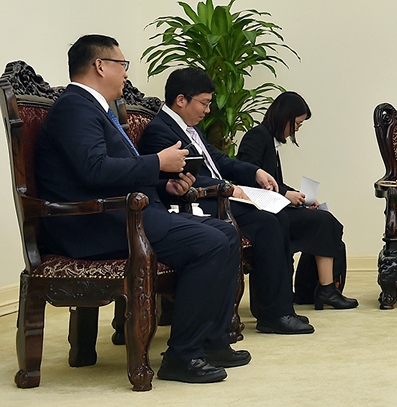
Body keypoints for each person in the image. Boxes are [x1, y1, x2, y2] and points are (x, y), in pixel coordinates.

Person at [35, 35, 246, 383]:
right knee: (210, 242)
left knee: (224, 232)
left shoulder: (94, 108)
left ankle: (209, 340)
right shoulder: (75, 107)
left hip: (122, 215)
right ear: (100, 66)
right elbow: (94, 169)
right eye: (123, 66)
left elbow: (110, 172)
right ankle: (182, 356)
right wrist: (158, 163)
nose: (127, 75)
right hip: (92, 225)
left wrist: (165, 184)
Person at [138, 68, 316, 334]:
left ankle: (280, 307)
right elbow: (186, 180)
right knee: (266, 222)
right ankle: (272, 313)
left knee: (278, 215)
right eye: (205, 103)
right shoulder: (160, 131)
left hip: (217, 194)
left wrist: (253, 172)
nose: (208, 110)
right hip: (196, 202)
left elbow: (217, 160)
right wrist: (228, 189)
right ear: (181, 100)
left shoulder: (189, 128)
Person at [237, 91, 357, 310]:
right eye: (298, 124)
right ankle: (326, 289)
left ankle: (320, 289)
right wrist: (285, 195)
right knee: (324, 222)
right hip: (260, 213)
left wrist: (298, 198)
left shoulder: (268, 140)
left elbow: (273, 184)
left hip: (272, 208)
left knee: (322, 218)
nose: (298, 129)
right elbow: (247, 178)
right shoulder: (257, 137)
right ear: (285, 118)